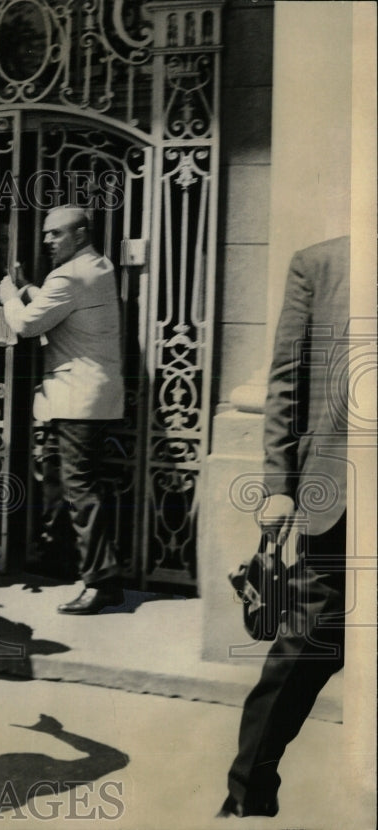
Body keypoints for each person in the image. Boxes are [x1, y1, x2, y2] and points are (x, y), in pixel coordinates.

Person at [217, 236, 350, 819]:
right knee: (307, 646)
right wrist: (278, 486)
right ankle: (247, 793)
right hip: (343, 488)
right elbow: (286, 381)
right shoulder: (323, 262)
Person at [0, 206, 125, 614]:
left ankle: (100, 581)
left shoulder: (69, 275)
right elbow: (60, 307)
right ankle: (64, 560)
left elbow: (25, 326)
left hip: (76, 397)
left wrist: (7, 297)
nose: (48, 241)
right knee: (63, 479)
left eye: (56, 234)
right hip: (83, 394)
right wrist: (31, 291)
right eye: (46, 234)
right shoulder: (97, 265)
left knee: (79, 488)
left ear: (81, 234)